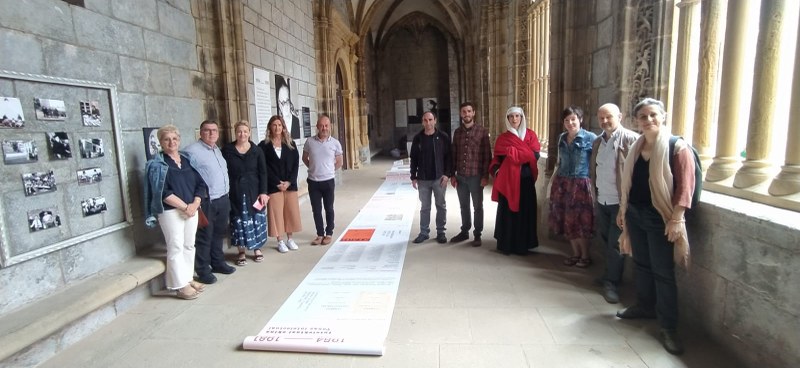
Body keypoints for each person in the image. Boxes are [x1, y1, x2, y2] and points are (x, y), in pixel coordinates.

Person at [615, 98, 695, 355]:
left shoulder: (676, 147)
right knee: (641, 264)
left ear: (663, 116)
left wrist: (677, 218)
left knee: (663, 271)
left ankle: (669, 327)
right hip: (636, 214)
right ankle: (645, 306)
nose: (648, 120)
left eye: (653, 115)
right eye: (643, 117)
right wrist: (623, 211)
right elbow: (629, 183)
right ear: (636, 122)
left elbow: (685, 187)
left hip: (660, 217)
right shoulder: (638, 147)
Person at [143, 124, 208, 300]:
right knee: (176, 247)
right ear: (161, 143)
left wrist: (195, 203)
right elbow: (162, 192)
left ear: (179, 140)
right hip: (172, 211)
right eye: (167, 139)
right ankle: (180, 286)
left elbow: (200, 184)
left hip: (192, 209)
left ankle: (187, 278)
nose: (171, 142)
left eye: (175, 138)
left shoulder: (187, 160)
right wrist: (185, 207)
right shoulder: (157, 164)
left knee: (189, 245)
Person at [589, 103, 639, 304]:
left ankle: (612, 283)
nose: (604, 121)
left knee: (616, 244)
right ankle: (609, 274)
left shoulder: (631, 140)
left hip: (620, 203)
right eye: (601, 118)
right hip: (602, 199)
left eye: (608, 117)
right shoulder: (598, 142)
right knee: (605, 239)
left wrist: (626, 205)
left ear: (620, 116)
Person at [184, 120, 236, 285]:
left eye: (214, 130)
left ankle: (218, 262)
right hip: (206, 201)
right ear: (201, 133)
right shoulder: (191, 151)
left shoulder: (217, 150)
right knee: (205, 236)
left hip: (222, 198)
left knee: (218, 233)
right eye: (207, 130)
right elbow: (187, 176)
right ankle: (203, 270)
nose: (211, 133)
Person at [549, 106, 597, 267]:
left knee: (582, 221)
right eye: (567, 120)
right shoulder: (562, 138)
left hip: (581, 183)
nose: (570, 123)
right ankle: (575, 253)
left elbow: (596, 163)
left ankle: (585, 255)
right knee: (567, 220)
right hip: (563, 183)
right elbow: (559, 161)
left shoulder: (591, 138)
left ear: (580, 120)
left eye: (573, 119)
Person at [490, 107, 541, 255]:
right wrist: (499, 171)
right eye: (511, 116)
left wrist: (514, 155)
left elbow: (534, 156)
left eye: (517, 116)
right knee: (508, 212)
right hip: (508, 180)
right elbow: (497, 158)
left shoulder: (530, 135)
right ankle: (506, 243)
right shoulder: (502, 138)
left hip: (525, 178)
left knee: (525, 210)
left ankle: (523, 244)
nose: (514, 119)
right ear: (507, 119)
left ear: (522, 117)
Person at [221, 121, 270, 265]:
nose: (242, 134)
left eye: (245, 131)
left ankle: (257, 249)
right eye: (239, 131)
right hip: (236, 192)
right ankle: (241, 251)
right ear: (235, 133)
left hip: (254, 191)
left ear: (249, 133)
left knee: (256, 219)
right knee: (238, 221)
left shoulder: (257, 150)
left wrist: (264, 192)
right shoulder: (227, 150)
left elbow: (263, 172)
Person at [449, 102, 492, 246]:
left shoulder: (482, 132)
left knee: (477, 206)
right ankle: (464, 231)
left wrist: (485, 176)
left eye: (469, 111)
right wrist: (452, 175)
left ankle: (477, 234)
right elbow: (453, 154)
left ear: (473, 113)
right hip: (461, 175)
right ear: (461, 114)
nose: (466, 114)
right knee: (463, 205)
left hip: (476, 176)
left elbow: (487, 155)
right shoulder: (457, 132)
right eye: (463, 112)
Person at [259, 115, 302, 253]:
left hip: (290, 185)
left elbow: (296, 164)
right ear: (270, 127)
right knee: (276, 213)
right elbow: (264, 167)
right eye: (274, 125)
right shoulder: (263, 146)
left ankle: (290, 239)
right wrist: (277, 183)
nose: (277, 128)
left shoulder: (291, 144)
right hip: (274, 186)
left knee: (290, 212)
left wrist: (289, 182)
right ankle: (280, 240)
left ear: (283, 127)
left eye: (280, 125)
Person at [410, 111, 453, 244]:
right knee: (425, 207)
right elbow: (414, 158)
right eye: (425, 120)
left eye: (430, 120)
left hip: (439, 178)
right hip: (423, 179)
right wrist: (413, 176)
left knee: (441, 205)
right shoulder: (418, 138)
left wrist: (447, 174)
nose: (428, 123)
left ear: (435, 120)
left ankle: (441, 232)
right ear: (422, 122)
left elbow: (449, 157)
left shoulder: (443, 137)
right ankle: (424, 232)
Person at [303, 114, 343, 245]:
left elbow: (339, 162)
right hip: (313, 181)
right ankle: (319, 234)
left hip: (328, 181)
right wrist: (314, 168)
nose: (324, 128)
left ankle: (329, 233)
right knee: (316, 209)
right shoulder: (309, 142)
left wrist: (329, 170)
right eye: (321, 125)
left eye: (326, 125)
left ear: (330, 126)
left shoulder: (335, 143)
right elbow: (305, 158)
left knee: (329, 208)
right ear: (317, 127)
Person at [276, 75, 301, 139]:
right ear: (279, 104)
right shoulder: (279, 125)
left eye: (286, 101)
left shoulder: (296, 121)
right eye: (282, 103)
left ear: (290, 101)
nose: (284, 106)